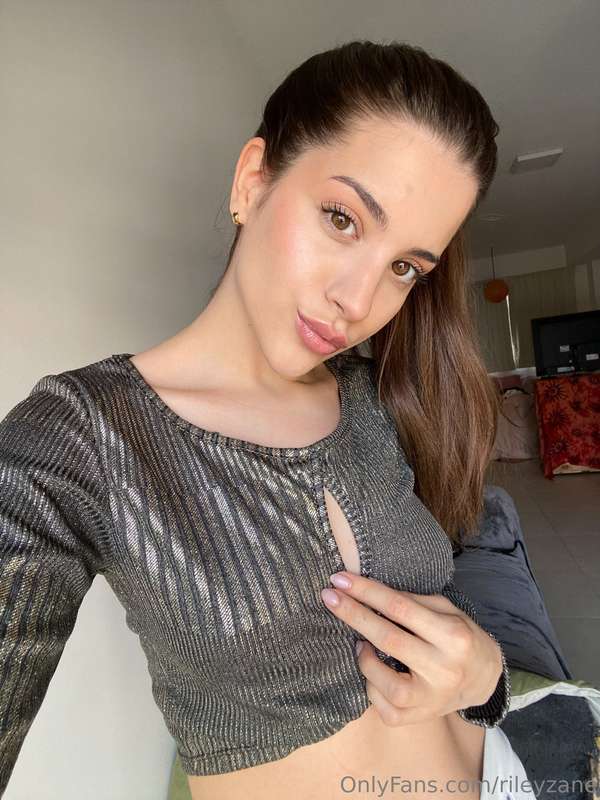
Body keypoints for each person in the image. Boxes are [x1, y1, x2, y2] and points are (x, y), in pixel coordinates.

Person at [0, 40, 534, 800]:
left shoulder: (375, 395)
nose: (359, 301)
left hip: (499, 778)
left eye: (405, 267)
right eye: (343, 219)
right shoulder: (84, 438)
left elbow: (441, 612)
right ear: (253, 180)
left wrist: (486, 676)